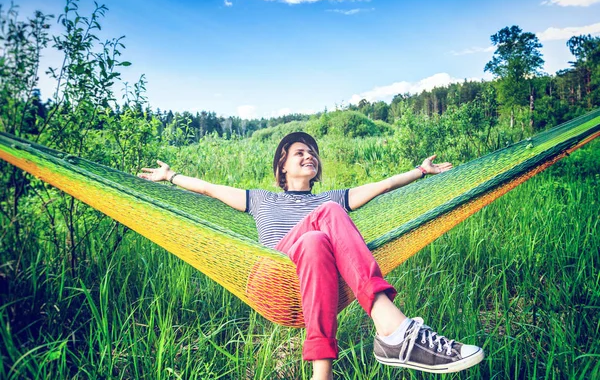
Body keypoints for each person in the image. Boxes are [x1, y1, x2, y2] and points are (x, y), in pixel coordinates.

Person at [139, 132, 484, 379]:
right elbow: (208, 189)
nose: (309, 157)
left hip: (317, 282)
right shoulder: (261, 199)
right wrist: (171, 176)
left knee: (317, 239)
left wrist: (421, 172)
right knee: (329, 213)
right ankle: (393, 330)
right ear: (283, 166)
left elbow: (383, 186)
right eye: (299, 153)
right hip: (273, 281)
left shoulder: (333, 197)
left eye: (312, 153)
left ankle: (323, 374)